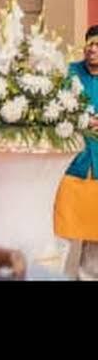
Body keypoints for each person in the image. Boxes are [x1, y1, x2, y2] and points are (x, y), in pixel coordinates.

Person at [63, 24, 98, 280]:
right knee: (63, 226)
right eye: (89, 45)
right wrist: (81, 120)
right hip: (71, 165)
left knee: (95, 230)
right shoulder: (70, 74)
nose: (93, 50)